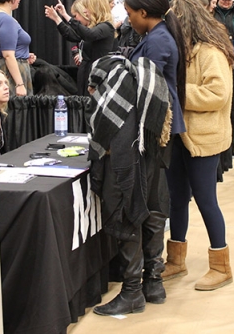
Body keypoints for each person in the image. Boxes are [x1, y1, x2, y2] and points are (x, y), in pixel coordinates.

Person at [88, 55, 173, 316]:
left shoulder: (115, 103)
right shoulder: (144, 90)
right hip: (153, 167)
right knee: (152, 214)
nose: (91, 91)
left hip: (126, 169)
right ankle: (154, 284)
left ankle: (132, 291)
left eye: (94, 85)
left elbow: (106, 146)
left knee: (128, 215)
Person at [163, 0, 234, 291]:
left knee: (206, 201)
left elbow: (218, 95)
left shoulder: (210, 52)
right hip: (181, 137)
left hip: (204, 141)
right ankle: (176, 260)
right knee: (177, 199)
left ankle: (221, 266)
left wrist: (177, 93)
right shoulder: (186, 49)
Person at [123, 0, 187, 306]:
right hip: (153, 130)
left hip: (153, 131)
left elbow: (148, 92)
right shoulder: (156, 37)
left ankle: (148, 280)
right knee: (153, 201)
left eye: (130, 14)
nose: (129, 20)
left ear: (144, 13)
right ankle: (151, 279)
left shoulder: (159, 41)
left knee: (149, 203)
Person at [45, 0, 116, 95]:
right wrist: (58, 18)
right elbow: (71, 35)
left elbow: (90, 35)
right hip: (85, 72)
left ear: (95, 7)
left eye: (87, 7)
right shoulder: (95, 28)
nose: (85, 11)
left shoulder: (107, 27)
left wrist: (67, 17)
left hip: (97, 75)